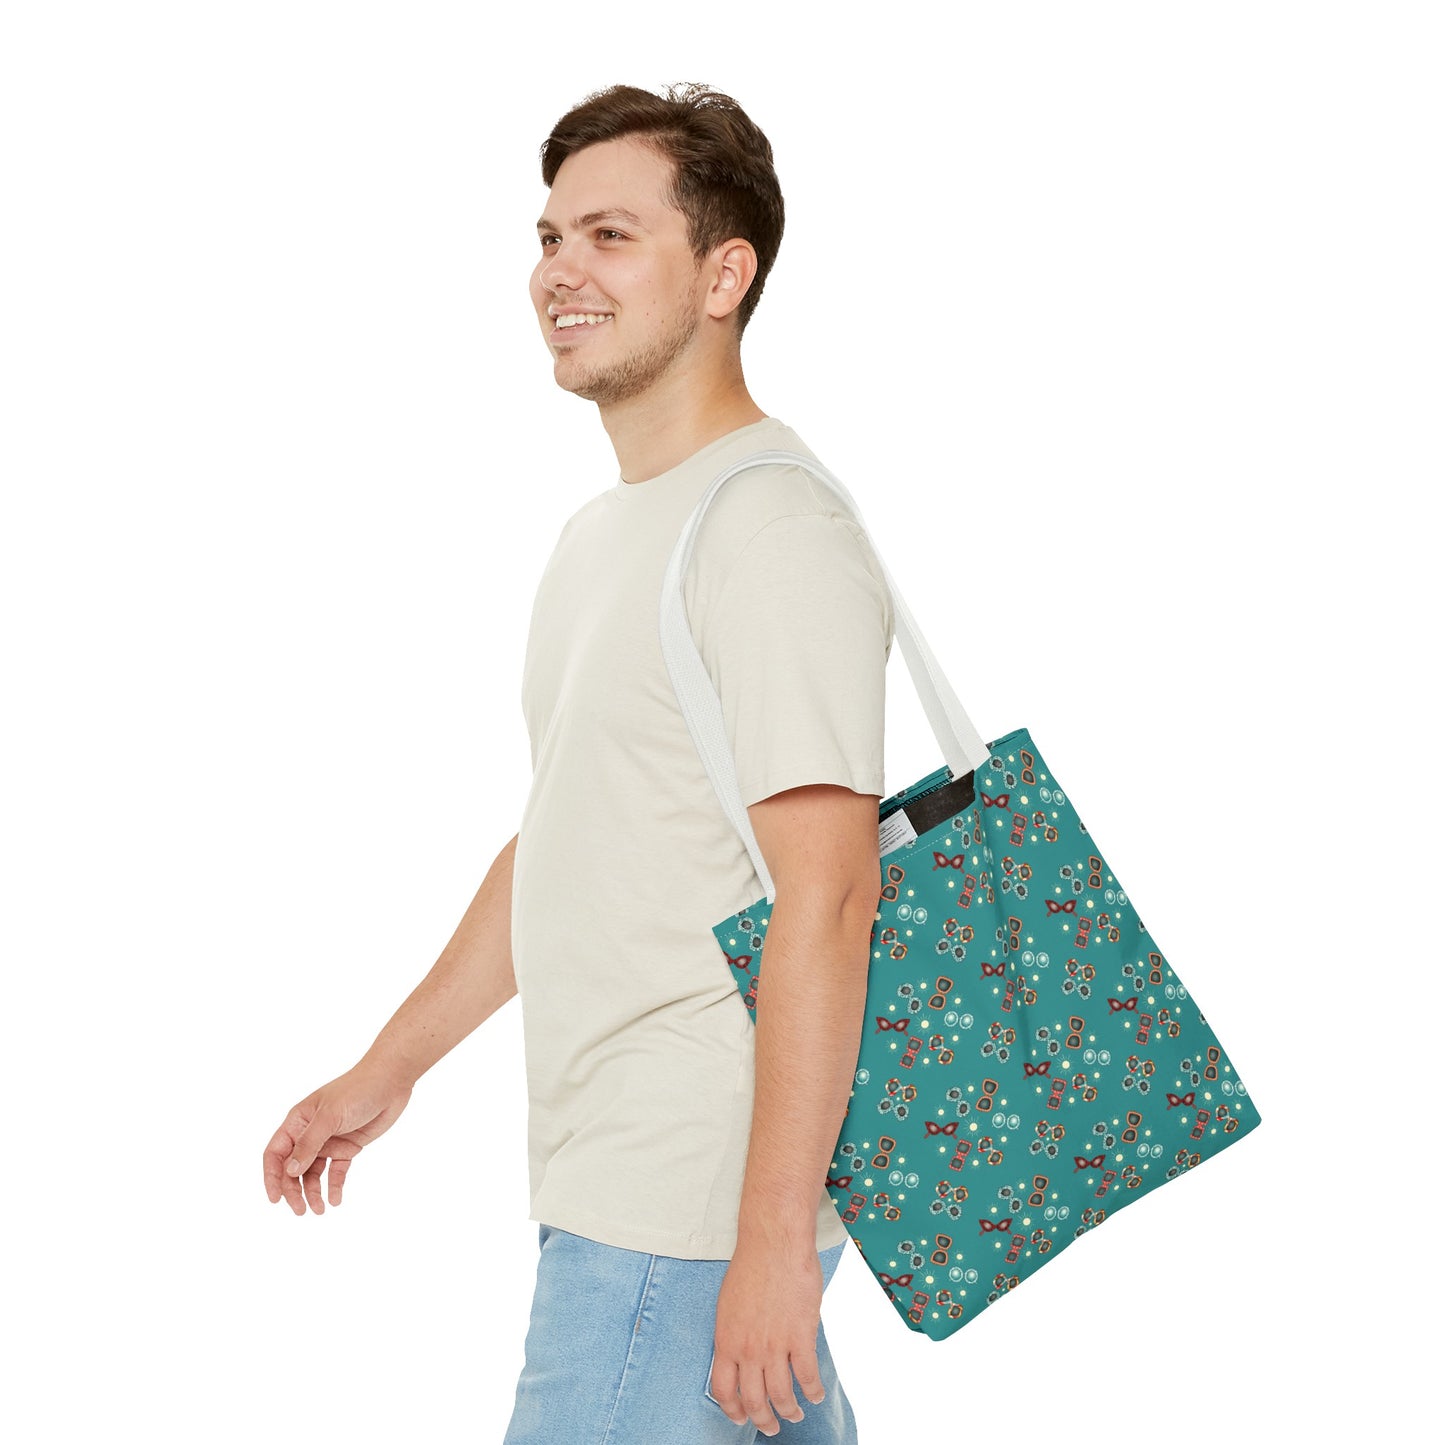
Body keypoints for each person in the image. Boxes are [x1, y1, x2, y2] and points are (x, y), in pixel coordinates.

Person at [262, 82, 894, 1443]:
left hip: (679, 1211)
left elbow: (833, 893)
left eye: (611, 235)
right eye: (550, 237)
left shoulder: (768, 529)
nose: (560, 271)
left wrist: (770, 1246)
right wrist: (387, 1069)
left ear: (723, 275)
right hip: (625, 1187)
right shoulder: (606, 535)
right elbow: (569, 839)